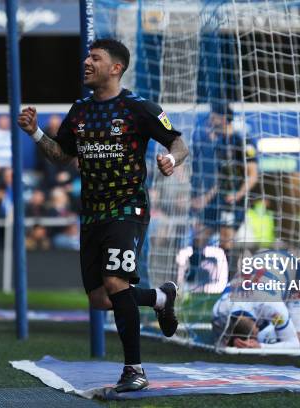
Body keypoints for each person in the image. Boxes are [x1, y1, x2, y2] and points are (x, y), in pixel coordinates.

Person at [17, 38, 189, 392]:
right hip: (92, 212)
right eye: (86, 57)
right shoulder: (79, 111)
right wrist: (35, 133)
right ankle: (160, 298)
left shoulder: (139, 108)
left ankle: (134, 371)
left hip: (128, 207)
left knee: (115, 283)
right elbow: (63, 155)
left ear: (116, 68)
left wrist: (170, 160)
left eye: (95, 58)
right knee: (100, 299)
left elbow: (178, 142)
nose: (86, 62)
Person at [188, 104, 258, 282]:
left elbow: (253, 175)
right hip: (216, 198)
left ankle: (229, 283)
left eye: (215, 116)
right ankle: (191, 278)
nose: (211, 120)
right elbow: (216, 178)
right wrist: (205, 198)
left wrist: (238, 194)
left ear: (224, 118)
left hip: (233, 200)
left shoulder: (242, 141)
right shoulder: (214, 142)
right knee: (199, 234)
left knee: (226, 238)